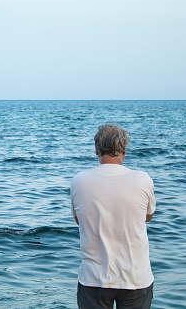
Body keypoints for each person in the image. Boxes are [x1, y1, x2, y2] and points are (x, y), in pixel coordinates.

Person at [70, 123, 156, 309]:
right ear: (124, 149)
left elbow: (79, 220)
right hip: (135, 277)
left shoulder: (79, 180)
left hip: (93, 278)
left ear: (96, 150)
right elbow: (147, 216)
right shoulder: (143, 179)